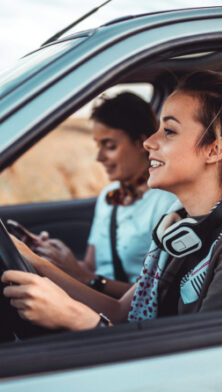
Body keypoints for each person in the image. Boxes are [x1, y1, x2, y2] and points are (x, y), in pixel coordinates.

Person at [1, 55, 222, 330]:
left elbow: (201, 370)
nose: (149, 143)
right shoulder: (181, 227)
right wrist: (35, 262)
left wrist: (75, 317)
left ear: (215, 149)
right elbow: (120, 313)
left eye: (168, 131)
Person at [32, 92, 178, 298]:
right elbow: (91, 265)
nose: (99, 157)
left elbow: (158, 295)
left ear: (141, 143)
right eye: (98, 145)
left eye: (109, 146)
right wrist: (56, 257)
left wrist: (83, 276)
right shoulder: (108, 196)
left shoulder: (168, 203)